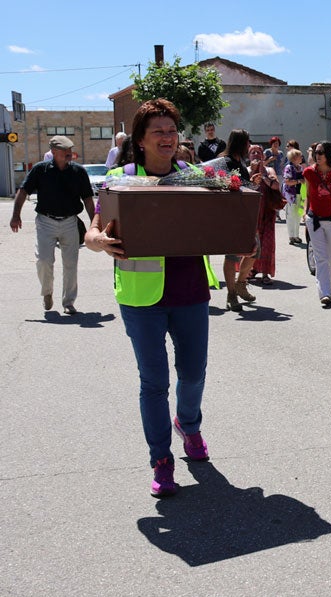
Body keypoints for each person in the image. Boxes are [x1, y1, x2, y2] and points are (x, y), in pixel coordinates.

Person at [83, 98, 220, 497]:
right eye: (158, 131)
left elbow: (217, 222)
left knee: (193, 373)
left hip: (190, 290)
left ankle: (189, 425)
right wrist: (100, 242)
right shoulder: (118, 178)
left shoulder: (195, 176)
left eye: (172, 131)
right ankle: (161, 460)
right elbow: (92, 232)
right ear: (140, 140)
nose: (167, 137)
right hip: (141, 297)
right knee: (154, 381)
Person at [9, 135, 95, 315]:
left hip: (70, 222)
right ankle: (47, 292)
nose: (69, 154)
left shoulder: (78, 172)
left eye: (70, 151)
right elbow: (23, 191)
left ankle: (68, 302)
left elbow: (88, 199)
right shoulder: (40, 170)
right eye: (65, 152)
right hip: (45, 221)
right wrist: (15, 215)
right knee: (44, 260)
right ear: (54, 152)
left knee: (71, 263)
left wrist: (95, 224)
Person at [219, 129, 258, 311]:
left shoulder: (239, 162)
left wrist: (252, 183)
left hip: (245, 215)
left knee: (254, 251)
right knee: (232, 256)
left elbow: (242, 186)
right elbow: (222, 187)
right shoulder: (225, 162)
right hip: (230, 216)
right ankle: (231, 293)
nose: (249, 146)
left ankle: (241, 283)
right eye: (247, 143)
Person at [303, 141, 331, 307]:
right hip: (314, 219)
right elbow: (308, 194)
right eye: (316, 152)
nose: (317, 155)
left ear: (329, 155)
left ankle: (328, 290)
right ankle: (324, 293)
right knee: (321, 257)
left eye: (321, 152)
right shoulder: (309, 172)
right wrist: (305, 213)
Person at [249, 143, 280, 284]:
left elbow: (276, 185)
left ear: (263, 155)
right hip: (251, 213)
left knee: (266, 243)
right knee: (251, 243)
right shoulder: (245, 169)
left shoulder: (269, 169)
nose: (255, 154)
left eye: (258, 152)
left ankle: (265, 273)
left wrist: (263, 175)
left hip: (267, 211)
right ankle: (251, 270)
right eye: (253, 152)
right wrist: (252, 172)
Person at [283, 148, 305, 244]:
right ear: (295, 157)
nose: (301, 157)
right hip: (291, 195)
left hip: (300, 193)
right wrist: (299, 181)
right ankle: (291, 236)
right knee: (291, 215)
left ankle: (296, 235)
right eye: (300, 156)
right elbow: (287, 182)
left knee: (298, 215)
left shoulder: (300, 167)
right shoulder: (289, 167)